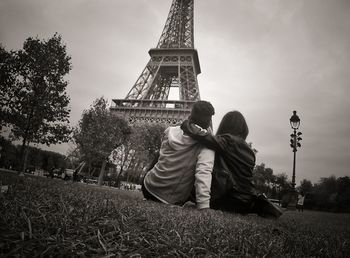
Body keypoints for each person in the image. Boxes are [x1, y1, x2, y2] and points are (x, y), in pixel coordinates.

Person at [181, 111, 283, 218]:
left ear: (225, 125)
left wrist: (187, 124)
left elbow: (204, 137)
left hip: (227, 199)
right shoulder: (251, 152)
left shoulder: (229, 141)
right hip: (245, 201)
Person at [142, 100, 215, 209]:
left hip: (147, 187)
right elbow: (203, 174)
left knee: (161, 157)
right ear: (209, 120)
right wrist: (204, 206)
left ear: (191, 115)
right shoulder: (206, 145)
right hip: (169, 199)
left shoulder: (170, 131)